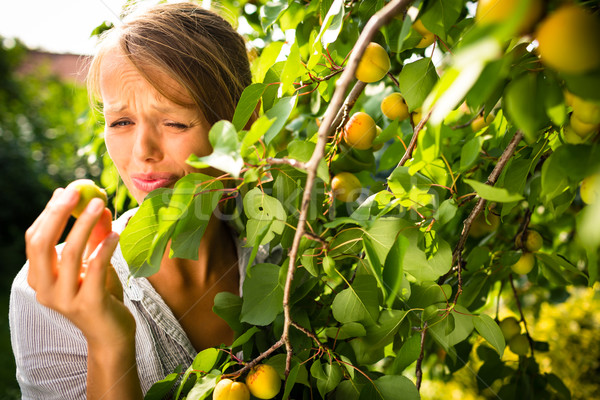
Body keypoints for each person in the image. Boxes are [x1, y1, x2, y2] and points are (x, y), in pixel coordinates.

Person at [9, 2, 263, 398]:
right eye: (121, 122)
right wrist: (108, 343)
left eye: (175, 122)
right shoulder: (46, 296)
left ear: (243, 122)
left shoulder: (283, 254)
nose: (142, 151)